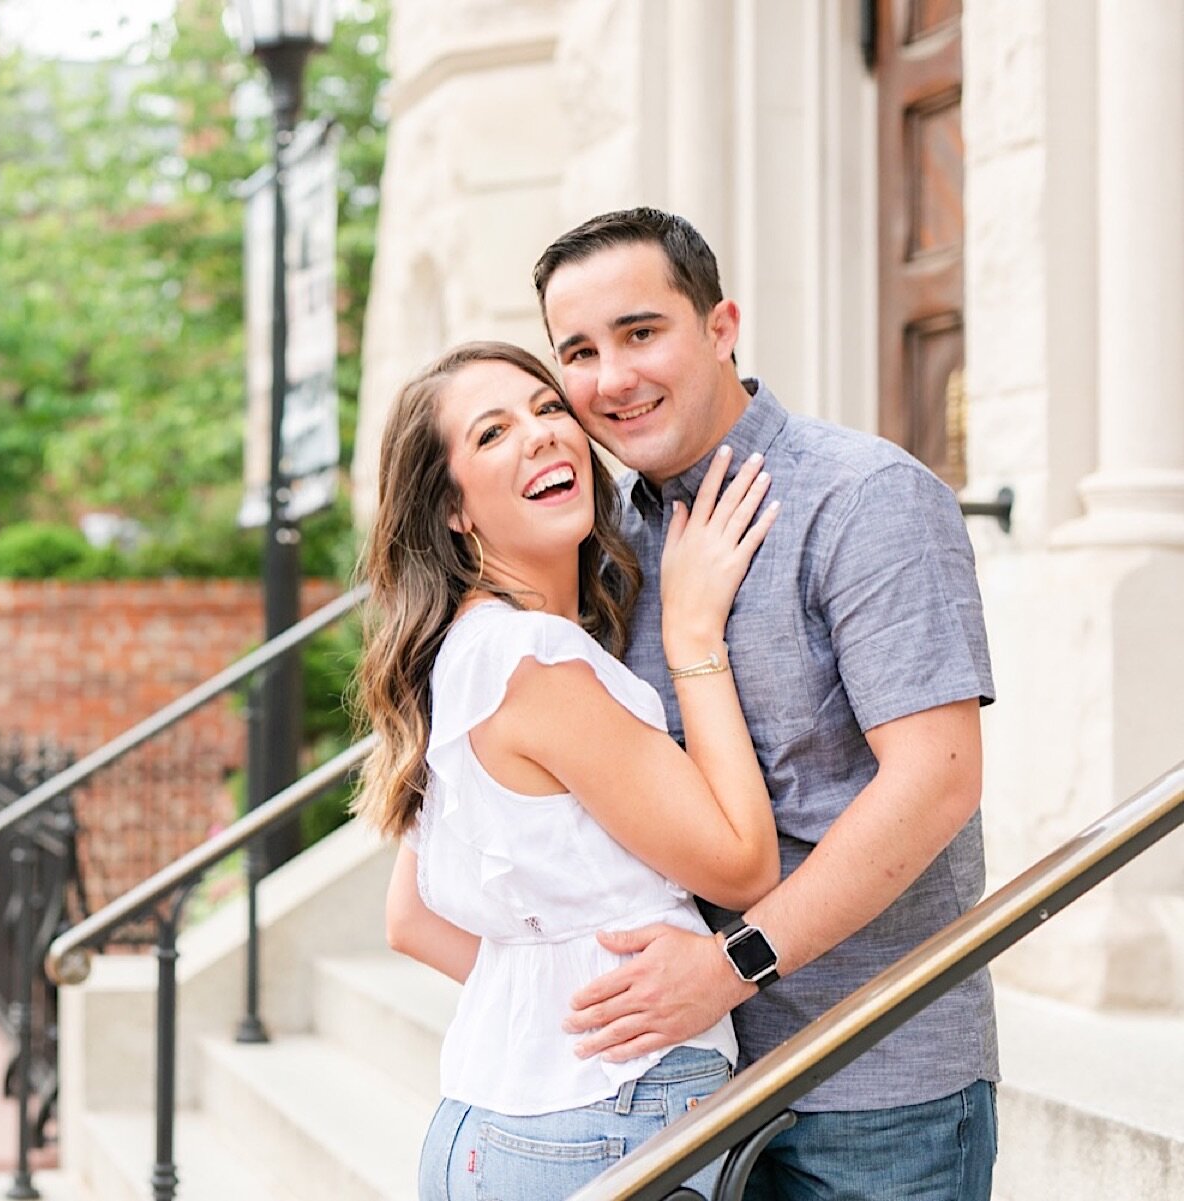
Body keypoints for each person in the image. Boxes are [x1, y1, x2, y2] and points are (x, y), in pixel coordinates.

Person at [533, 206, 997, 1200]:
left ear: (721, 326)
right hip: (678, 1081)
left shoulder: (866, 496)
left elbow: (939, 779)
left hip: (874, 1082)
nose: (611, 379)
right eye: (579, 350)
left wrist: (731, 962)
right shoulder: (602, 535)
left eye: (640, 332)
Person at [353, 339, 783, 1199]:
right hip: (610, 1113)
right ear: (454, 511)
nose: (543, 435)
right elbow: (743, 862)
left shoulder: (456, 655)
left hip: (493, 1122)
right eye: (492, 433)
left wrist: (556, 990)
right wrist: (696, 638)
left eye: (549, 409)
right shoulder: (536, 660)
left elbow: (410, 918)